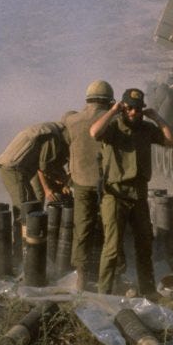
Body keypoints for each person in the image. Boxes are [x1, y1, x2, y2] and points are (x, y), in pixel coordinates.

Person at [90, 87, 173, 299]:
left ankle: (147, 290)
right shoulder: (112, 128)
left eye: (137, 109)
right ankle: (104, 294)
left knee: (144, 245)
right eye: (129, 108)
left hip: (138, 195)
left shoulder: (146, 129)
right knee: (111, 249)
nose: (133, 113)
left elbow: (170, 141)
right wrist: (113, 111)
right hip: (115, 195)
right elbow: (94, 132)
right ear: (122, 107)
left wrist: (157, 117)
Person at [63, 79, 114, 291]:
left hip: (81, 182)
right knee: (111, 229)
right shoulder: (113, 119)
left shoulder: (72, 121)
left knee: (82, 229)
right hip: (109, 184)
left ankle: (81, 277)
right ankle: (112, 276)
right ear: (109, 100)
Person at [0, 120, 71, 239]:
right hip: (13, 168)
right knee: (24, 207)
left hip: (18, 167)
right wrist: (50, 187)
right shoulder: (53, 136)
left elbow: (49, 164)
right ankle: (22, 245)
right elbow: (43, 166)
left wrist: (61, 179)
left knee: (30, 205)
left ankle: (28, 242)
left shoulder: (52, 130)